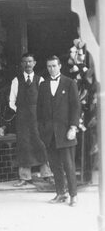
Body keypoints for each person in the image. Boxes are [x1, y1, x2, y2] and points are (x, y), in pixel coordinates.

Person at [37, 55, 80, 207]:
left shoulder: (69, 83)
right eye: (49, 66)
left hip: (66, 132)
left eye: (54, 66)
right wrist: (42, 131)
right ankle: (61, 193)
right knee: (55, 166)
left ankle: (73, 195)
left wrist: (73, 127)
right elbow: (39, 111)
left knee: (69, 165)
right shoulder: (43, 85)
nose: (51, 69)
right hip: (49, 134)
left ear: (60, 66)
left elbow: (76, 107)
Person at [9, 53, 53, 187]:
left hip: (37, 118)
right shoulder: (16, 81)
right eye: (25, 62)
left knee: (41, 144)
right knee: (24, 145)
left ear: (34, 63)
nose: (27, 64)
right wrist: (21, 112)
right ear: (22, 64)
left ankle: (47, 175)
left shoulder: (40, 80)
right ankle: (24, 177)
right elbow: (11, 101)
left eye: (30, 62)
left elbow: (45, 101)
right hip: (22, 119)